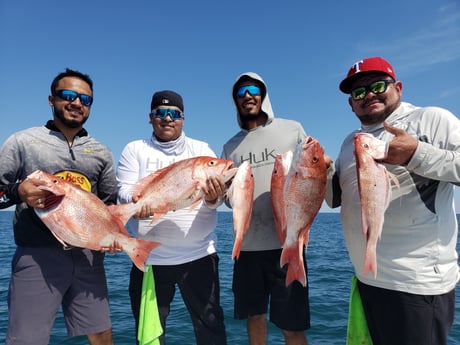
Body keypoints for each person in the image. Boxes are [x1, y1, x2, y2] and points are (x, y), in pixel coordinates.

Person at [326, 56, 459, 345]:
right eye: (358, 92)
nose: (368, 95)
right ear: (351, 104)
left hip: (415, 285)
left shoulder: (431, 119)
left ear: (397, 87)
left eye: (377, 85)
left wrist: (417, 154)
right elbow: (336, 198)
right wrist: (317, 172)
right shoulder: (350, 141)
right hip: (366, 279)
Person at [0, 68, 117, 345]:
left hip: (88, 257)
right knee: (26, 339)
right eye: (68, 95)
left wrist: (114, 236)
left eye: (85, 99)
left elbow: (109, 205)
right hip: (37, 256)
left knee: (101, 335)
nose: (76, 103)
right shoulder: (23, 141)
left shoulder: (101, 151)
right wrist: (19, 191)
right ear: (52, 100)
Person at [116, 90, 227, 345]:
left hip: (199, 256)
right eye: (160, 113)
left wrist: (213, 198)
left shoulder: (201, 149)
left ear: (183, 118)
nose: (167, 118)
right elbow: (124, 188)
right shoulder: (135, 149)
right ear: (151, 117)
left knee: (212, 330)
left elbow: (214, 203)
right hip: (150, 260)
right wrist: (136, 202)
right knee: (150, 336)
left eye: (173, 114)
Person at [221, 72, 310, 345]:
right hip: (247, 247)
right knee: (254, 317)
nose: (247, 96)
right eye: (240, 93)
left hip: (288, 244)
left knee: (292, 325)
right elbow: (227, 196)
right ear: (235, 101)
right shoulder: (230, 146)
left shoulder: (292, 129)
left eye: (252, 89)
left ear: (263, 94)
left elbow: (308, 173)